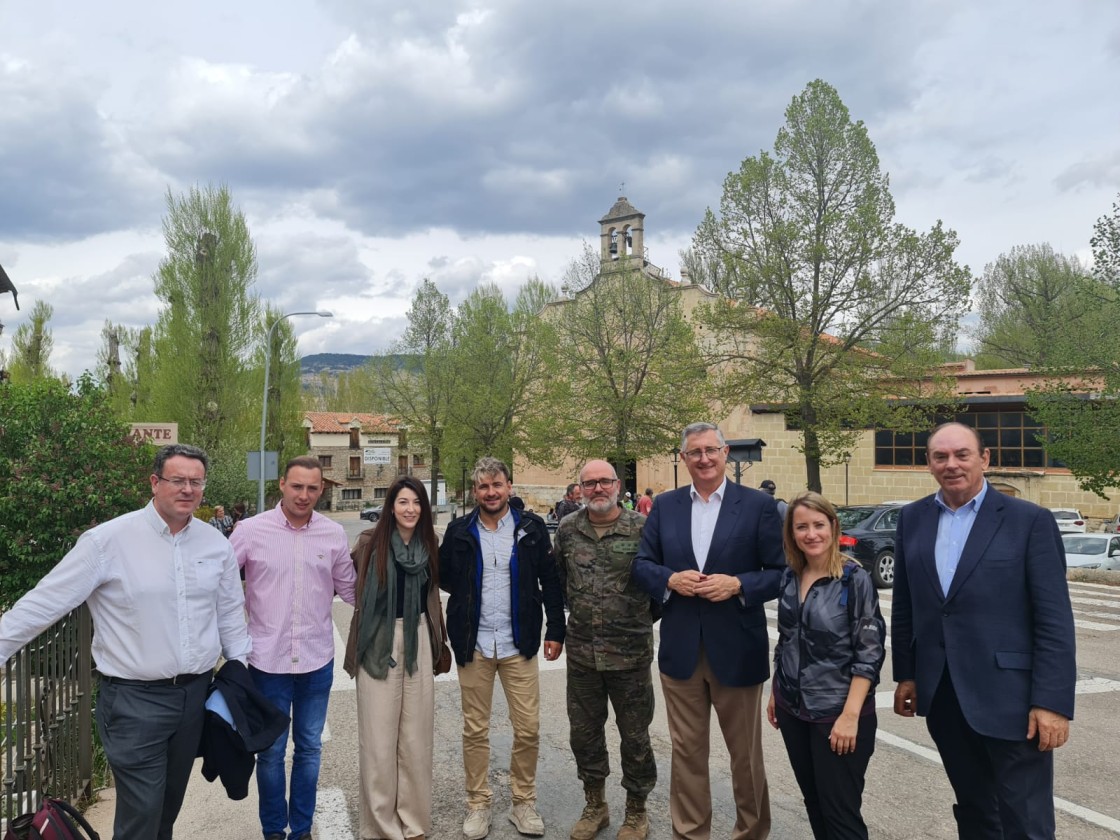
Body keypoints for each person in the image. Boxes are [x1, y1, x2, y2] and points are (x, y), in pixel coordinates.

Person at [0, 443, 251, 840]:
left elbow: (230, 618)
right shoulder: (107, 542)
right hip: (134, 703)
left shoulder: (215, 545)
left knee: (167, 808)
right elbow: (46, 601)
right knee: (142, 813)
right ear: (155, 483)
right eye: (177, 480)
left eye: (196, 482)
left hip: (194, 698)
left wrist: (241, 674)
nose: (187, 489)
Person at [892, 422, 1076, 839]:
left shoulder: (1029, 521)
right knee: (975, 812)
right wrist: (907, 673)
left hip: (1012, 702)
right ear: (929, 464)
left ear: (985, 459)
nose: (951, 464)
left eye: (962, 454)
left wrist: (1052, 702)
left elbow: (1054, 621)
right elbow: (906, 604)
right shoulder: (913, 519)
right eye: (941, 456)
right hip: (944, 697)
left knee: (1025, 822)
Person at [632, 422, 785, 840]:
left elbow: (779, 572)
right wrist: (669, 579)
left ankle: (751, 832)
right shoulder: (665, 505)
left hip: (737, 646)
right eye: (694, 452)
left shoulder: (758, 506)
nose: (703, 459)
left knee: (745, 756)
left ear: (725, 453)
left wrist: (739, 584)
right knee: (686, 754)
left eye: (711, 450)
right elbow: (642, 564)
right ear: (683, 459)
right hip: (681, 649)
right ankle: (690, 832)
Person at [229, 455, 357, 840]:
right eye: (297, 486)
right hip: (267, 663)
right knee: (269, 753)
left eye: (312, 488)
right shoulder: (250, 531)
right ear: (282, 484)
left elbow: (350, 589)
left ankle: (301, 830)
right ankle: (273, 830)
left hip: (317, 661)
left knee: (309, 750)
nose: (304, 495)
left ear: (321, 489)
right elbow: (218, 584)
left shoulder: (333, 534)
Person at [440, 456, 567, 840]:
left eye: (497, 485)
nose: (491, 492)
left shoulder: (532, 528)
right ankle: (478, 805)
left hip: (519, 643)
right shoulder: (459, 530)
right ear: (475, 491)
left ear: (509, 487)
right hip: (474, 643)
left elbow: (551, 580)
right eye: (483, 486)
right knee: (474, 730)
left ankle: (522, 802)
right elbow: (445, 579)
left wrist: (556, 630)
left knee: (527, 728)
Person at [766, 492, 885, 839]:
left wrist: (849, 716)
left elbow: (870, 653)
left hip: (837, 714)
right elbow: (786, 639)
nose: (811, 534)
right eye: (801, 526)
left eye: (819, 525)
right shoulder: (790, 576)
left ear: (833, 527)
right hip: (793, 709)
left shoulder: (853, 580)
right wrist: (777, 690)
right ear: (791, 533)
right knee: (815, 803)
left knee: (841, 814)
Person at [554, 460, 656, 840]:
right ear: (579, 489)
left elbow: (657, 589)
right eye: (590, 483)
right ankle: (595, 805)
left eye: (604, 482)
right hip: (582, 654)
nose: (598, 489)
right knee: (584, 735)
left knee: (636, 737)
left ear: (618, 485)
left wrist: (633, 621)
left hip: (630, 656)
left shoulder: (643, 529)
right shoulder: (567, 530)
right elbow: (561, 583)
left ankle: (636, 810)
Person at [344, 475, 450, 840]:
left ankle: (415, 823)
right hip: (377, 641)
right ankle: (379, 827)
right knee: (377, 740)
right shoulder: (368, 544)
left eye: (417, 502)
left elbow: (436, 594)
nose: (410, 509)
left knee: (416, 738)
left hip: (418, 637)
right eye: (403, 502)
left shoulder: (430, 543)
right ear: (391, 506)